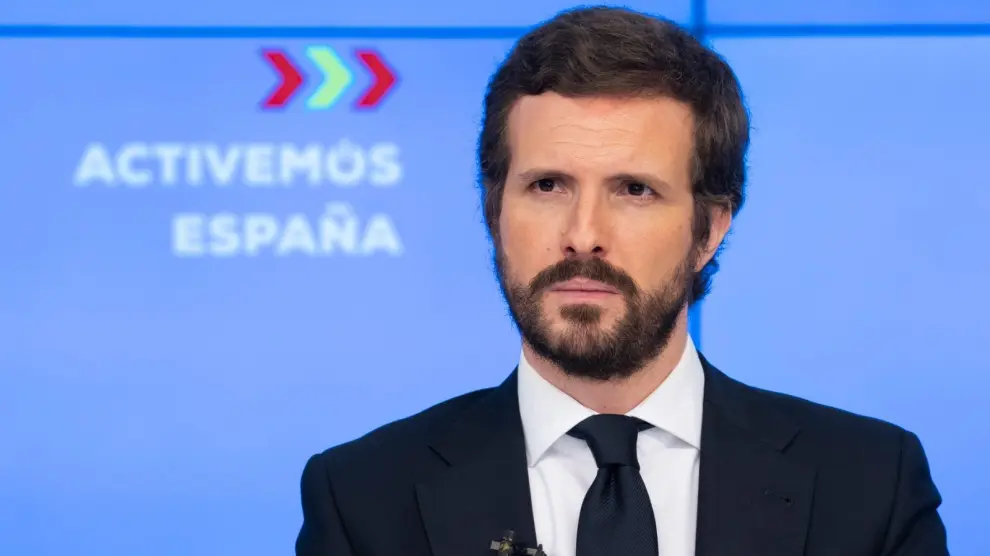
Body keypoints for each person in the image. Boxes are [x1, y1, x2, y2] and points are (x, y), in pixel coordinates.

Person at [294, 6, 949, 556]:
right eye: (547, 185)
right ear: (495, 213)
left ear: (710, 228)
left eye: (634, 190)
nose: (583, 234)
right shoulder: (362, 498)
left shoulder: (869, 487)